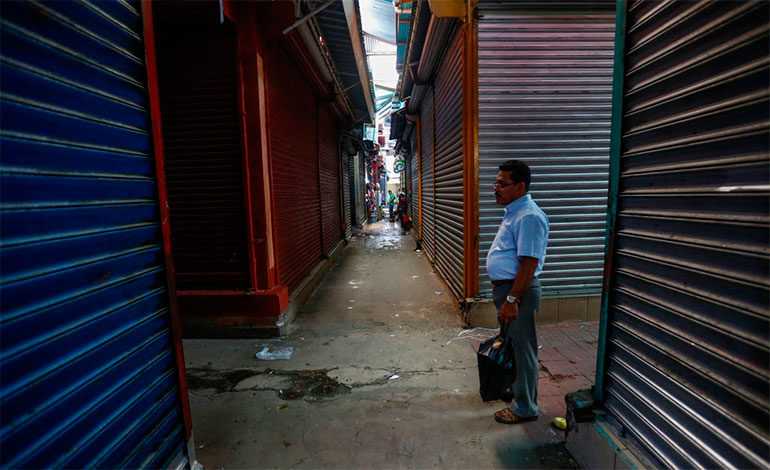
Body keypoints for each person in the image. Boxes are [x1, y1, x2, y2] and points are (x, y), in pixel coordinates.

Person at [486, 159, 549, 425]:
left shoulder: (529, 216)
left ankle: (525, 407)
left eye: (503, 184)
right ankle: (514, 390)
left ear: (520, 186)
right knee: (510, 347)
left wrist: (512, 298)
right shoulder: (513, 212)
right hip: (507, 291)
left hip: (517, 293)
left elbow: (529, 262)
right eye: (496, 182)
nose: (496, 188)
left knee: (523, 350)